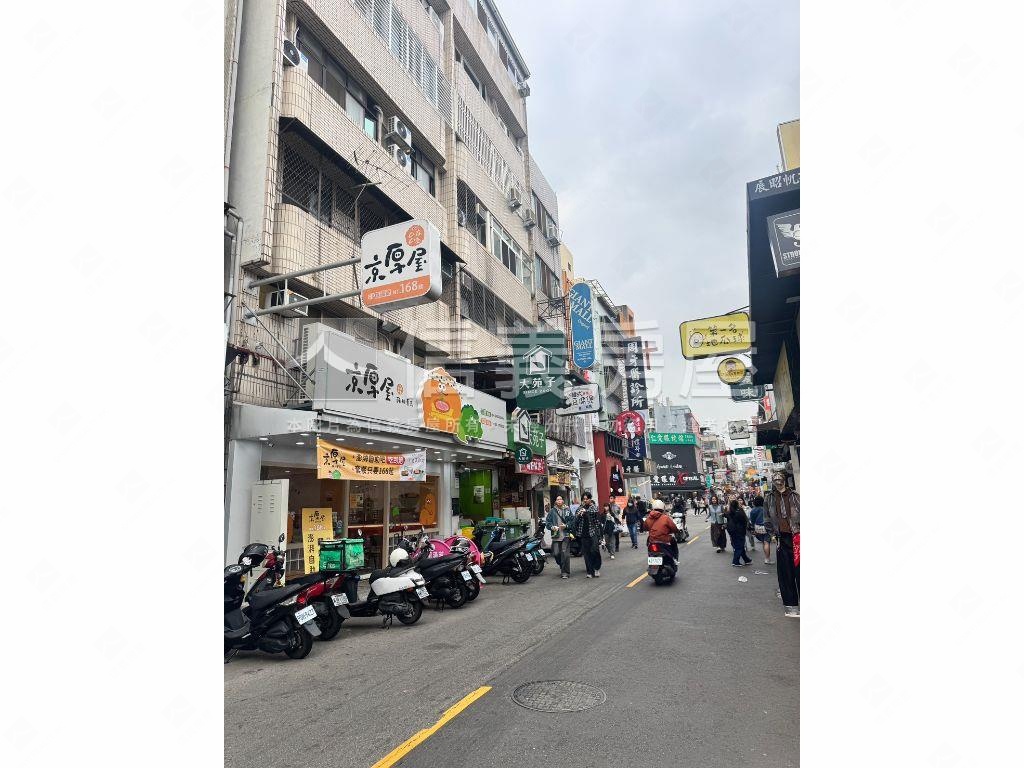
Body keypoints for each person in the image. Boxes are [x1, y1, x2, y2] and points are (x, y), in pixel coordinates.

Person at [764, 476, 800, 617]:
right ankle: (791, 607)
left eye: (780, 479)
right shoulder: (769, 498)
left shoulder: (795, 495)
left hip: (797, 536)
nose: (778, 482)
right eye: (775, 480)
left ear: (784, 480)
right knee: (786, 573)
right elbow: (767, 518)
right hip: (781, 538)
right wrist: (772, 535)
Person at [573, 491, 603, 578]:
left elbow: (595, 517)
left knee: (594, 550)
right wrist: (579, 515)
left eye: (587, 499)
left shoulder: (593, 508)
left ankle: (596, 568)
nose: (585, 500)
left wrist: (586, 512)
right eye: (584, 499)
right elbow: (576, 520)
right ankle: (589, 571)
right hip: (583, 534)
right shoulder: (580, 508)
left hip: (593, 533)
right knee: (586, 553)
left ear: (590, 499)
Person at [545, 495, 575, 580]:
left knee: (565, 554)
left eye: (560, 499)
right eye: (557, 499)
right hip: (556, 536)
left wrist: (566, 526)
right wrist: (552, 527)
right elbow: (547, 522)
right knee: (556, 553)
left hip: (565, 535)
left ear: (563, 501)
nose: (559, 500)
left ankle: (565, 572)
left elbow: (572, 521)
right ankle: (562, 565)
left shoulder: (567, 510)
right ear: (555, 501)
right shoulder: (552, 511)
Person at [726, 499, 752, 567]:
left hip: (732, 531)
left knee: (740, 545)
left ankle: (746, 560)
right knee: (739, 546)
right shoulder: (740, 511)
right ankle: (735, 561)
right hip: (740, 531)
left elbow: (726, 517)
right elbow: (745, 520)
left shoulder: (729, 512)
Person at [748, 495, 772, 564]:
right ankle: (767, 559)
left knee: (763, 542)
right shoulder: (765, 508)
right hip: (766, 527)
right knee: (766, 542)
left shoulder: (753, 510)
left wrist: (754, 528)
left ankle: (766, 557)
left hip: (758, 527)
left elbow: (752, 521)